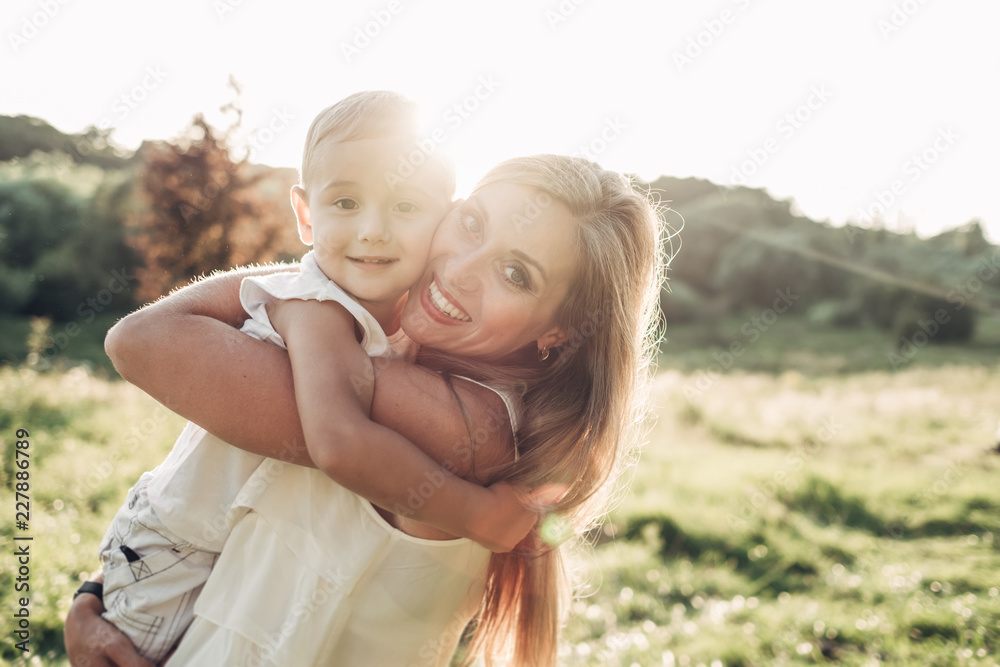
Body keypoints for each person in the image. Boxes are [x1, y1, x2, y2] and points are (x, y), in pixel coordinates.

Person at [66, 153, 665, 666]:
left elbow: (141, 341)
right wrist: (99, 600)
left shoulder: (469, 430)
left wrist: (310, 296)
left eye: (515, 273)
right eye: (472, 223)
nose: (459, 270)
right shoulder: (385, 356)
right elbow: (211, 500)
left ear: (560, 332)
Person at [85, 90, 537, 665]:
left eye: (405, 207)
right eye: (345, 202)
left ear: (443, 219)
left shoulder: (391, 326)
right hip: (172, 549)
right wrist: (474, 515)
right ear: (305, 215)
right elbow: (341, 443)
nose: (373, 230)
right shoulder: (316, 308)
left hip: (219, 549)